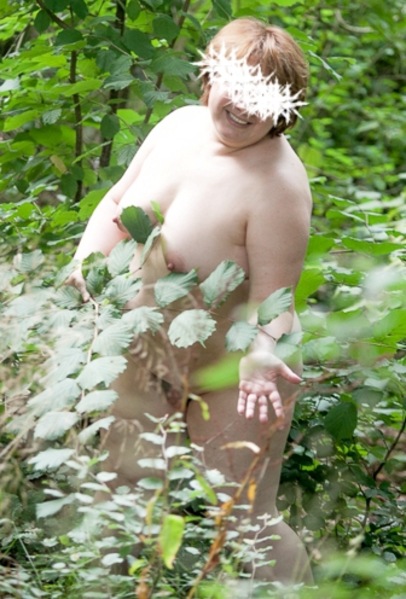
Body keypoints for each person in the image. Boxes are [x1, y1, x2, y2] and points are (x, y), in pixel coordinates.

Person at [67, 17, 313, 584]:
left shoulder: (279, 184)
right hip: (147, 352)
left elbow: (275, 301)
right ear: (211, 77)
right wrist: (85, 261)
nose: (245, 105)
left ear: (284, 109)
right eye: (237, 84)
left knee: (244, 515)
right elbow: (118, 201)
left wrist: (261, 355)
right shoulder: (178, 126)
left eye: (263, 96)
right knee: (121, 491)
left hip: (233, 369)